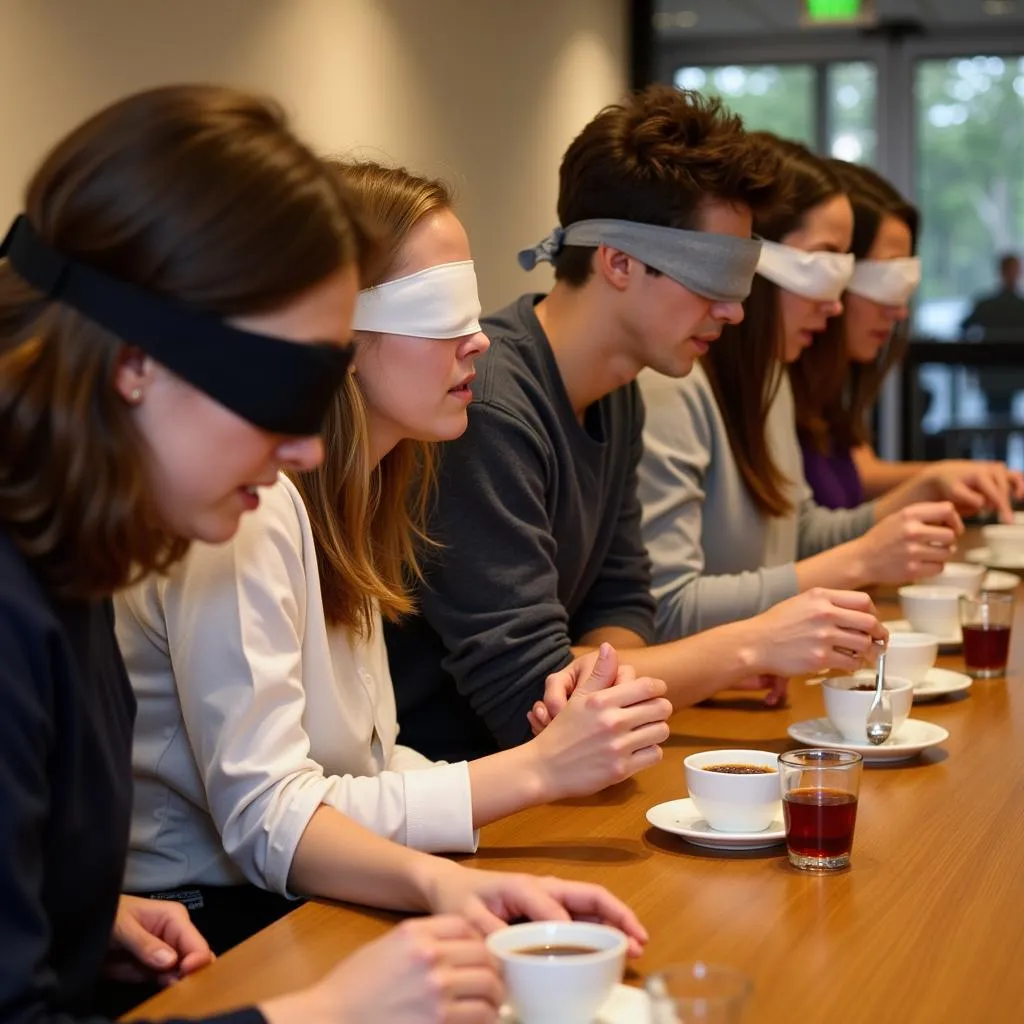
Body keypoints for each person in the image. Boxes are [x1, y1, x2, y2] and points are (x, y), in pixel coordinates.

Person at [0, 84, 632, 1024]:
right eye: (280, 384)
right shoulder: (25, 606)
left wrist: (87, 917)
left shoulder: (69, 570)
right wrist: (325, 1012)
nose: (301, 449)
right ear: (135, 363)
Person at [114, 161, 667, 955]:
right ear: (336, 333)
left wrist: (544, 761)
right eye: (442, 310)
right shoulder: (250, 506)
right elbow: (270, 820)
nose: (479, 337)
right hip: (208, 929)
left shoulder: (362, 491)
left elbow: (360, 772)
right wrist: (535, 771)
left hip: (300, 897)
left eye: (471, 306)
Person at [384, 87, 888, 764]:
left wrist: (604, 676)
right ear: (618, 262)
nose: (735, 311)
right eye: (714, 277)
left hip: (569, 782)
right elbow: (533, 701)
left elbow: (624, 598)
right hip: (460, 804)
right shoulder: (487, 406)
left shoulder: (621, 393)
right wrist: (749, 646)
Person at [636, 136, 964, 639]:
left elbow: (800, 534)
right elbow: (667, 609)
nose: (835, 305)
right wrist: (860, 560)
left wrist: (912, 499)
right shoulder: (673, 388)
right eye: (823, 262)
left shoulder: (770, 377)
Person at [791, 160, 1023, 517]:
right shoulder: (774, 386)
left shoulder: (825, 388)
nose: (898, 311)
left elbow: (859, 472)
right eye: (885, 280)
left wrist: (953, 475)